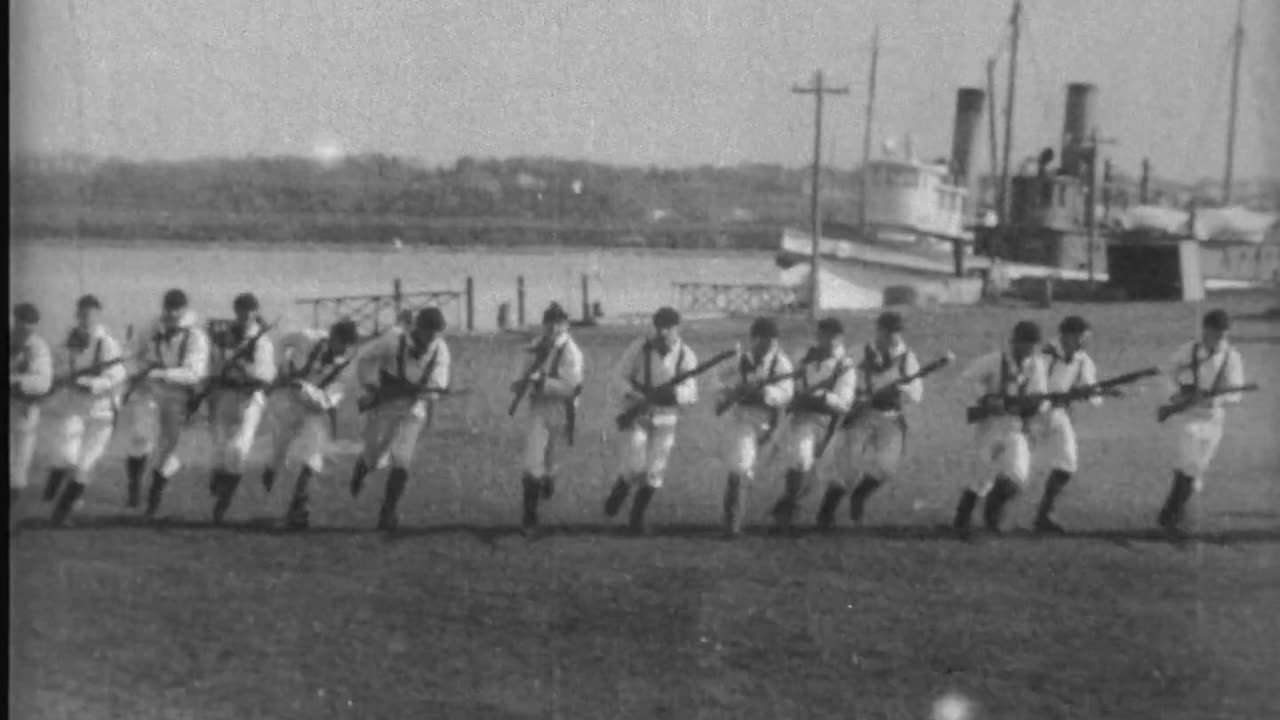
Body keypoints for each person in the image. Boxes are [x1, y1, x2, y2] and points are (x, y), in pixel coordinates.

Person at [349, 307, 451, 532]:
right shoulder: (393, 341)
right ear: (419, 328)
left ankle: (388, 512)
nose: (432, 338)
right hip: (385, 406)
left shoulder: (440, 350)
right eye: (429, 333)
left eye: (437, 334)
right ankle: (362, 466)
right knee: (374, 456)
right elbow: (364, 358)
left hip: (413, 410)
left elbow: (438, 385)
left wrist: (426, 392)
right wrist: (370, 386)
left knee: (402, 459)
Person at [821, 311, 922, 530]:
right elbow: (842, 379)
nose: (892, 337)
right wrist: (858, 396)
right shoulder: (859, 352)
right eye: (888, 332)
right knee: (847, 467)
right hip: (861, 415)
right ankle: (825, 514)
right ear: (879, 331)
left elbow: (916, 392)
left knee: (886, 466)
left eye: (896, 332)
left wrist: (900, 389)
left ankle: (860, 495)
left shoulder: (907, 358)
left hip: (890, 417)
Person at [603, 307, 699, 535]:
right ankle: (620, 489)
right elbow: (618, 377)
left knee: (655, 471)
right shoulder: (639, 347)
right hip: (638, 413)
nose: (663, 332)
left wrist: (674, 395)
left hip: (666, 417)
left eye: (668, 327)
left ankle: (636, 519)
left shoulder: (687, 355)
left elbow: (691, 392)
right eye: (659, 327)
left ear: (678, 328)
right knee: (635, 464)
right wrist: (633, 394)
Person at [1156, 309, 1247, 537]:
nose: (1220, 339)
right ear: (1206, 330)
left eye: (1223, 335)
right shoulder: (1190, 350)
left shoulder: (1232, 356)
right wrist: (1175, 395)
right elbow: (1167, 373)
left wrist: (1218, 397)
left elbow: (1237, 391)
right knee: (1190, 462)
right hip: (1188, 415)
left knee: (1197, 468)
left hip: (1214, 418)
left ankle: (1171, 514)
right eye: (1216, 333)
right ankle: (1172, 516)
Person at [120, 289, 210, 518]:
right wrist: (136, 372)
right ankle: (134, 487)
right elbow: (129, 357)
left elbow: (194, 372)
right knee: (141, 437)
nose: (171, 313)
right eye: (168, 308)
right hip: (149, 392)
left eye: (176, 309)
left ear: (184, 310)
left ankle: (155, 494)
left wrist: (160, 373)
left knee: (171, 449)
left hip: (178, 396)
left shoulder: (196, 337)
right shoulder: (149, 328)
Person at [953, 320, 1048, 534]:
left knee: (1017, 476)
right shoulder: (994, 361)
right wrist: (985, 400)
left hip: (1016, 425)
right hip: (991, 424)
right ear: (1015, 342)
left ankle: (992, 516)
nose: (1030, 349)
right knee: (981, 474)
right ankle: (962, 520)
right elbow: (966, 380)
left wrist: (1034, 408)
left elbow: (1040, 395)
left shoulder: (1037, 365)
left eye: (1033, 345)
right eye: (1026, 343)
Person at [41, 295, 128, 526]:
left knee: (85, 464)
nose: (86, 318)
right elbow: (55, 370)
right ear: (76, 314)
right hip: (73, 407)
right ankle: (52, 489)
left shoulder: (108, 343)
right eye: (82, 313)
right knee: (65, 455)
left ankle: (62, 512)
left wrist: (92, 384)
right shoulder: (64, 343)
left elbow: (117, 375)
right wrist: (65, 376)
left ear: (98, 315)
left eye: (91, 314)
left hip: (102, 412)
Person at [266, 319, 360, 530]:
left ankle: (299, 506)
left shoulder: (347, 368)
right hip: (287, 402)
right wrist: (280, 366)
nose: (343, 347)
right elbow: (281, 341)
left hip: (314, 410)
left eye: (348, 344)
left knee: (311, 455)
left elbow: (328, 400)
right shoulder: (308, 337)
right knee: (279, 453)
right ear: (331, 336)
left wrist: (304, 388)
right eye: (340, 341)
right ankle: (272, 476)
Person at [770, 317, 857, 533]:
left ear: (839, 339)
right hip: (806, 418)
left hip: (832, 424)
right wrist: (797, 397)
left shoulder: (845, 366)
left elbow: (844, 402)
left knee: (837, 475)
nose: (826, 340)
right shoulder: (806, 359)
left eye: (831, 336)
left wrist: (822, 397)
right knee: (801, 460)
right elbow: (794, 386)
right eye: (823, 335)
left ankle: (824, 516)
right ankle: (788, 514)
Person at [714, 317, 794, 537]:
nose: (769, 344)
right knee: (741, 464)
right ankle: (732, 523)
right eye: (765, 339)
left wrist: (763, 393)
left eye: (773, 340)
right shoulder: (738, 359)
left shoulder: (782, 363)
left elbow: (786, 393)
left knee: (767, 470)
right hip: (743, 417)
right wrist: (732, 390)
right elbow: (715, 380)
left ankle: (778, 513)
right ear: (753, 339)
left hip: (770, 420)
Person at [511, 302, 585, 535]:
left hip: (563, 409)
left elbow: (571, 387)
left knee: (550, 458)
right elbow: (517, 380)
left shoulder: (571, 352)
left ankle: (549, 477)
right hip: (539, 408)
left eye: (558, 323)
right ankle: (529, 518)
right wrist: (521, 383)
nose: (553, 327)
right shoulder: (531, 348)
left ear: (565, 326)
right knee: (533, 461)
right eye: (549, 322)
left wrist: (541, 381)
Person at [205, 293, 277, 524]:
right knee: (219, 447)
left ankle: (223, 504)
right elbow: (212, 365)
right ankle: (218, 478)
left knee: (238, 449)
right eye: (241, 310)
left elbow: (266, 377)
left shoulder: (262, 342)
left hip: (249, 397)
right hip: (225, 394)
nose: (245, 315)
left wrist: (244, 367)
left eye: (250, 311)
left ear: (256, 312)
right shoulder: (224, 336)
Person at [1029, 315, 1102, 534]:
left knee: (1067, 462)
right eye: (1080, 336)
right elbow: (1033, 387)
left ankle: (1044, 515)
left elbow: (1095, 395)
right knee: (1015, 466)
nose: (1083, 341)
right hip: (1032, 415)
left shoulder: (1083, 360)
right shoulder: (1043, 355)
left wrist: (1085, 394)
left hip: (1058, 415)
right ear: (1066, 336)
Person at [9, 303, 53, 533]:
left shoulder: (38, 347)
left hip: (24, 413)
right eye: (21, 325)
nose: (26, 331)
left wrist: (17, 382)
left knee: (19, 468)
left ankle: (11, 518)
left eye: (30, 328)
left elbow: (43, 382)